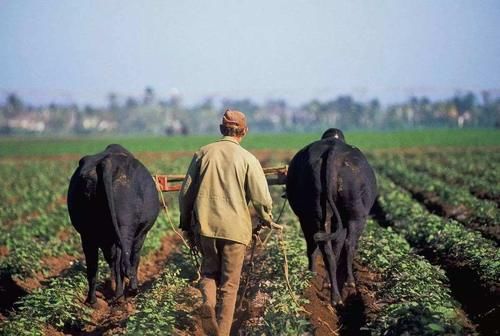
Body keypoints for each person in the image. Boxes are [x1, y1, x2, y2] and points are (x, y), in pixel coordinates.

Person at [179, 109, 273, 336]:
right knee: (230, 286)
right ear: (244, 131)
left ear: (221, 130)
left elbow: (185, 194)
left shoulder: (203, 153)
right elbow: (261, 199)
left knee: (209, 273)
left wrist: (186, 222)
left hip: (206, 227)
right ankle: (221, 332)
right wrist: (266, 218)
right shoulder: (248, 159)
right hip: (235, 231)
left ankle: (207, 305)